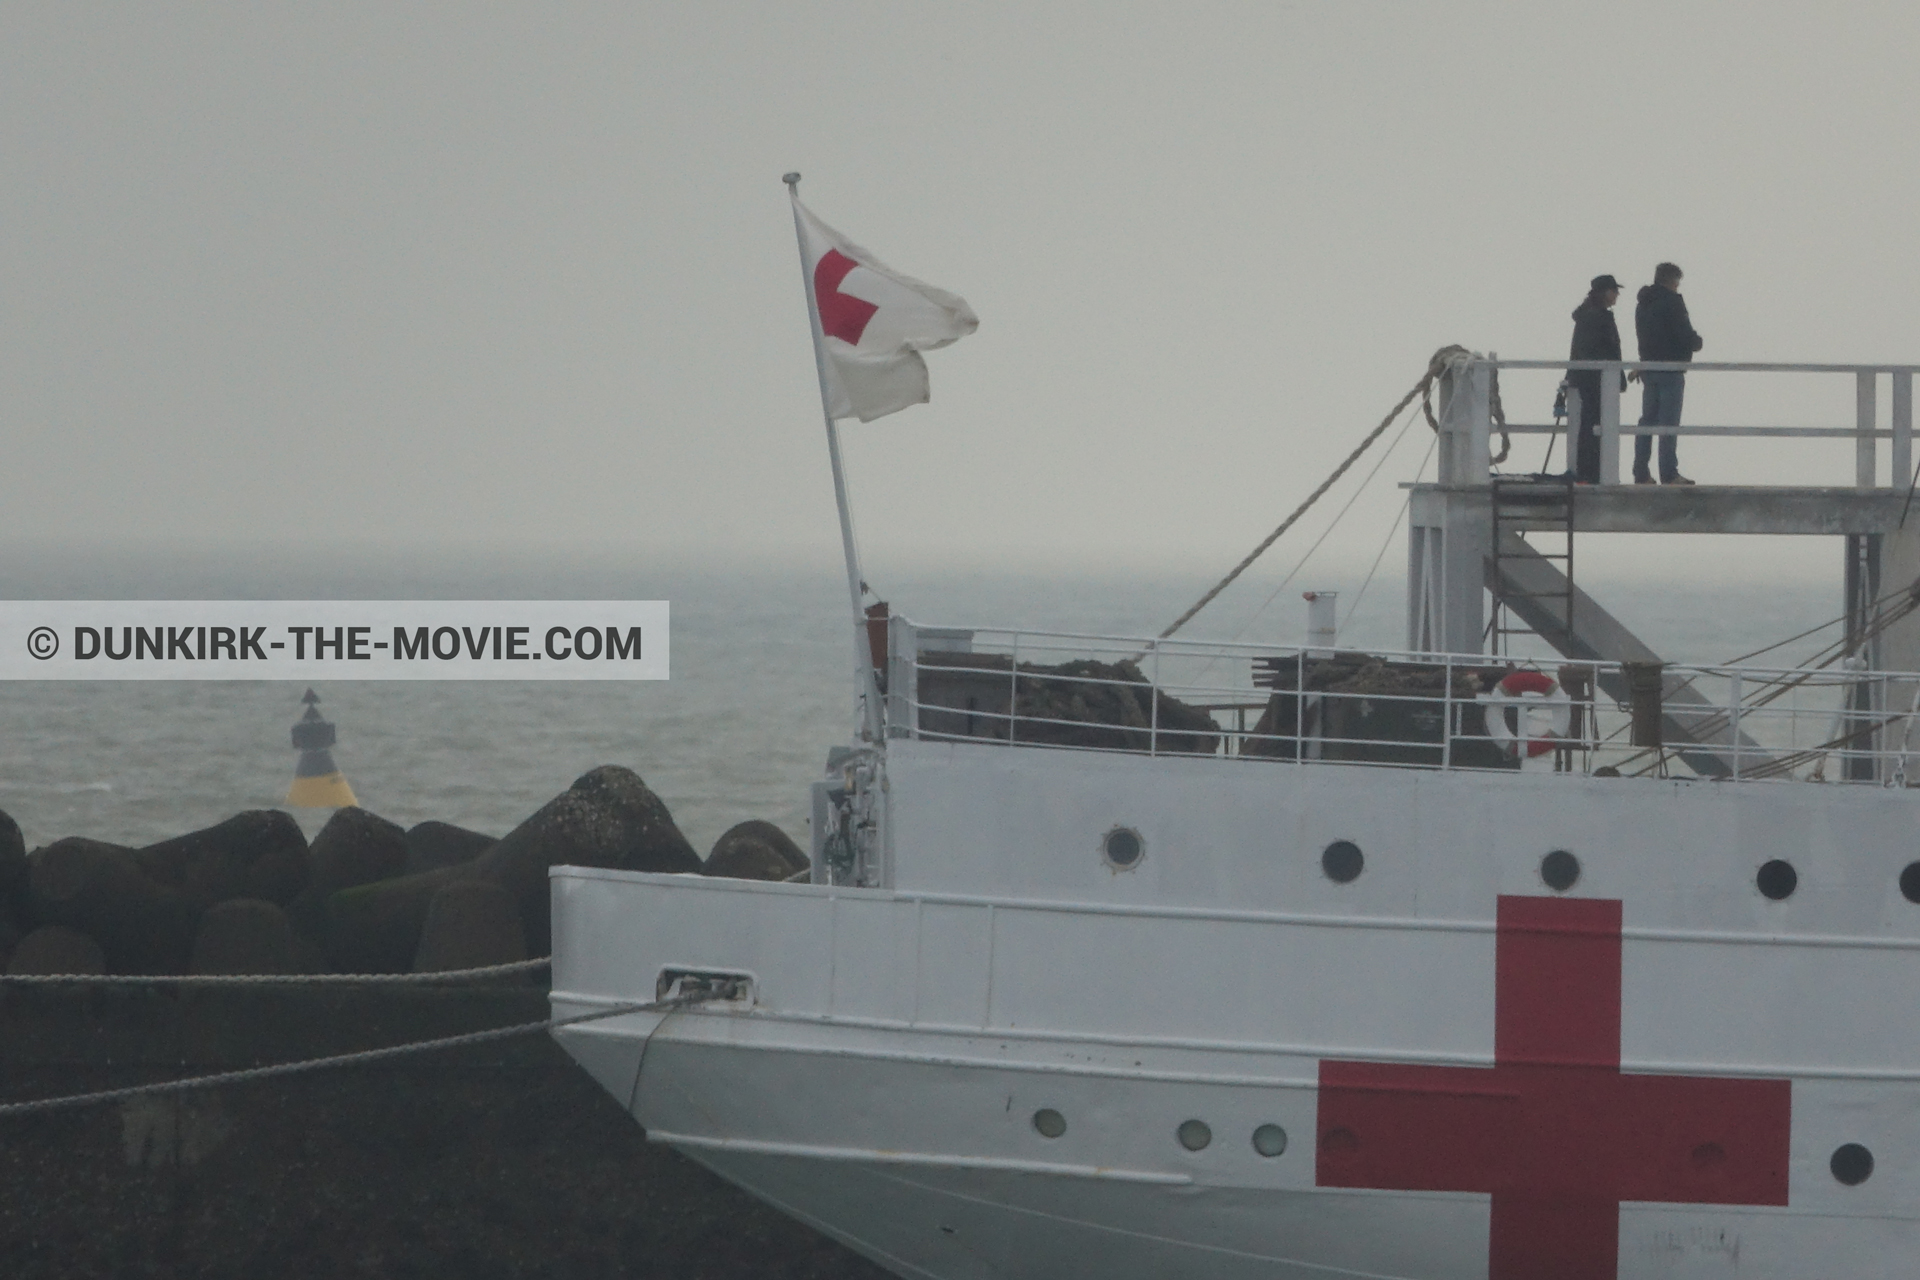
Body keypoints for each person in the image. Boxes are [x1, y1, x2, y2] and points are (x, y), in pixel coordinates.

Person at [1633, 262, 1704, 485]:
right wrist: (1696, 342)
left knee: (1647, 422)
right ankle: (1669, 473)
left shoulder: (1643, 304)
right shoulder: (1672, 302)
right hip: (1670, 370)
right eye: (1677, 282)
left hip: (1649, 368)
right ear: (1672, 281)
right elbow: (1684, 334)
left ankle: (1641, 472)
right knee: (1668, 424)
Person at [1567, 275, 1624, 484]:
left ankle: (1589, 472)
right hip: (1595, 380)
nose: (1617, 295)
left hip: (1587, 378)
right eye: (1614, 290)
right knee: (1593, 424)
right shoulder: (1597, 317)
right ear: (1606, 292)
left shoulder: (1586, 315)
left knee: (1590, 423)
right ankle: (1590, 473)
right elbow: (1601, 350)